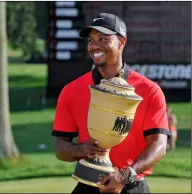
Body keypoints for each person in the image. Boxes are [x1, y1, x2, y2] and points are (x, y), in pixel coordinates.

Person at [52, 13, 170, 194]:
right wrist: (82, 149)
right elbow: (60, 148)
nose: (94, 45)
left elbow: (159, 146)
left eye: (103, 38)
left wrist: (125, 175)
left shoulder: (149, 90)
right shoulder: (71, 91)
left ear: (122, 42)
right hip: (88, 185)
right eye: (91, 40)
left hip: (132, 185)